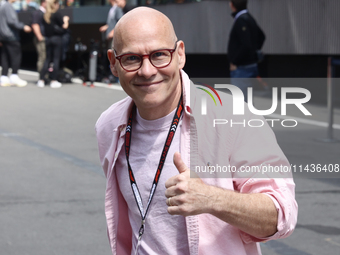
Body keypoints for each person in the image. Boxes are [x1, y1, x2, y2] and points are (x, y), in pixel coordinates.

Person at [95, 7, 297, 255]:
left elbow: (281, 215)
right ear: (114, 64)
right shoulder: (110, 126)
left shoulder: (232, 115)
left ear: (180, 54)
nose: (146, 71)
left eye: (159, 55)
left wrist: (212, 199)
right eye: (132, 59)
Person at [227, 0, 265, 101]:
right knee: (247, 101)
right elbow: (261, 36)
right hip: (250, 65)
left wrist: (235, 61)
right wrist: (254, 51)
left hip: (242, 68)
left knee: (240, 101)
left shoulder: (241, 20)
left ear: (232, 5)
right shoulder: (249, 18)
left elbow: (246, 45)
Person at [37, 0, 69, 88]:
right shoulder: (56, 14)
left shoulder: (45, 15)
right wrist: (66, 20)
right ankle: (53, 80)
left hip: (48, 40)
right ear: (54, 4)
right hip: (57, 39)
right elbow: (64, 27)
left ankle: (41, 79)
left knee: (47, 60)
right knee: (55, 60)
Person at [0, 0, 32, 87]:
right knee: (16, 56)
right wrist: (23, 26)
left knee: (4, 57)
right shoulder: (8, 6)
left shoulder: (1, 5)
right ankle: (14, 76)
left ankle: (4, 77)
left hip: (3, 36)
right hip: (11, 36)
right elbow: (11, 21)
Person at [31, 0, 46, 73]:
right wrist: (40, 37)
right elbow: (35, 25)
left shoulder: (46, 13)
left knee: (45, 57)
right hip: (40, 39)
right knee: (42, 57)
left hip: (45, 38)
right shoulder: (38, 13)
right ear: (43, 2)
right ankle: (42, 76)